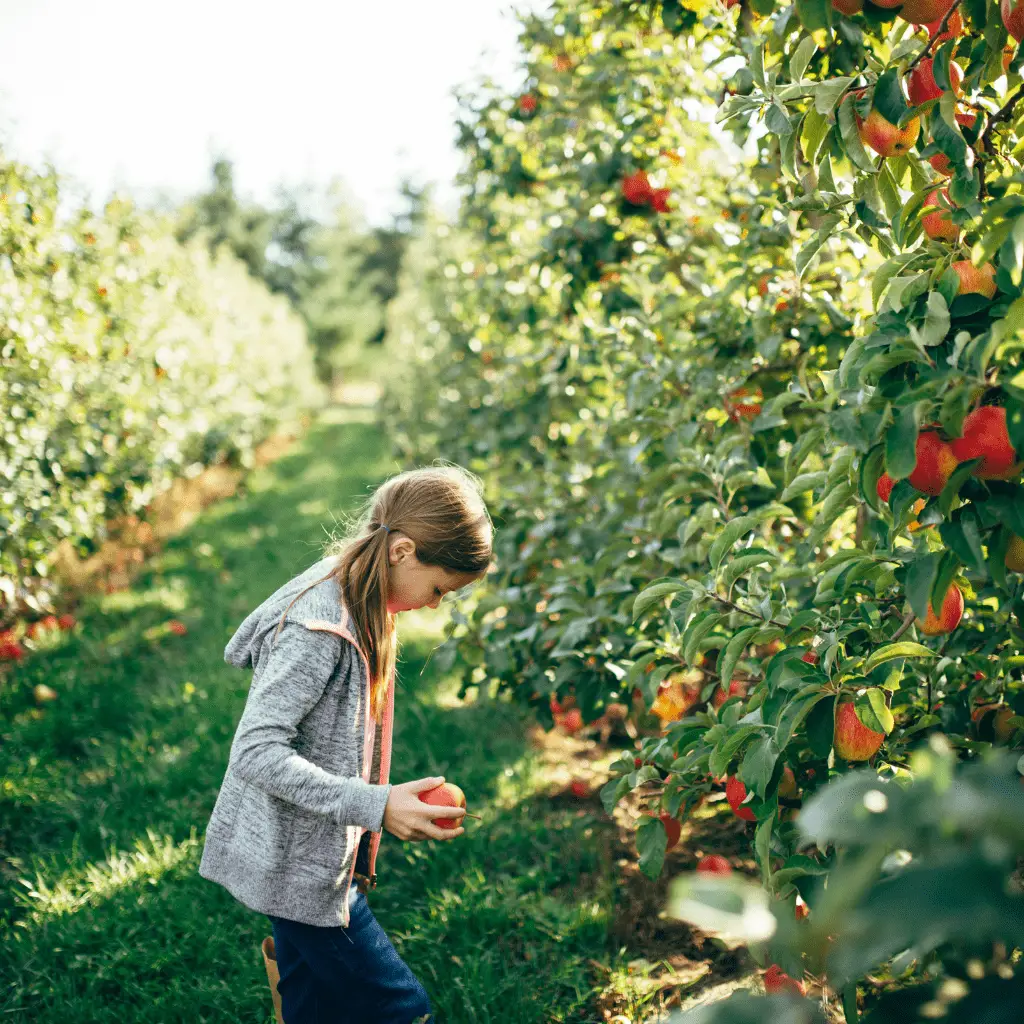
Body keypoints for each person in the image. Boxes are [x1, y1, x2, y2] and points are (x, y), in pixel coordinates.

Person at [198, 464, 493, 1023]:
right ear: (403, 550)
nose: (433, 605)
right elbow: (256, 750)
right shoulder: (318, 628)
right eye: (437, 590)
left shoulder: (359, 598)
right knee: (402, 1008)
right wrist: (376, 804)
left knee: (309, 1005)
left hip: (308, 856)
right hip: (298, 869)